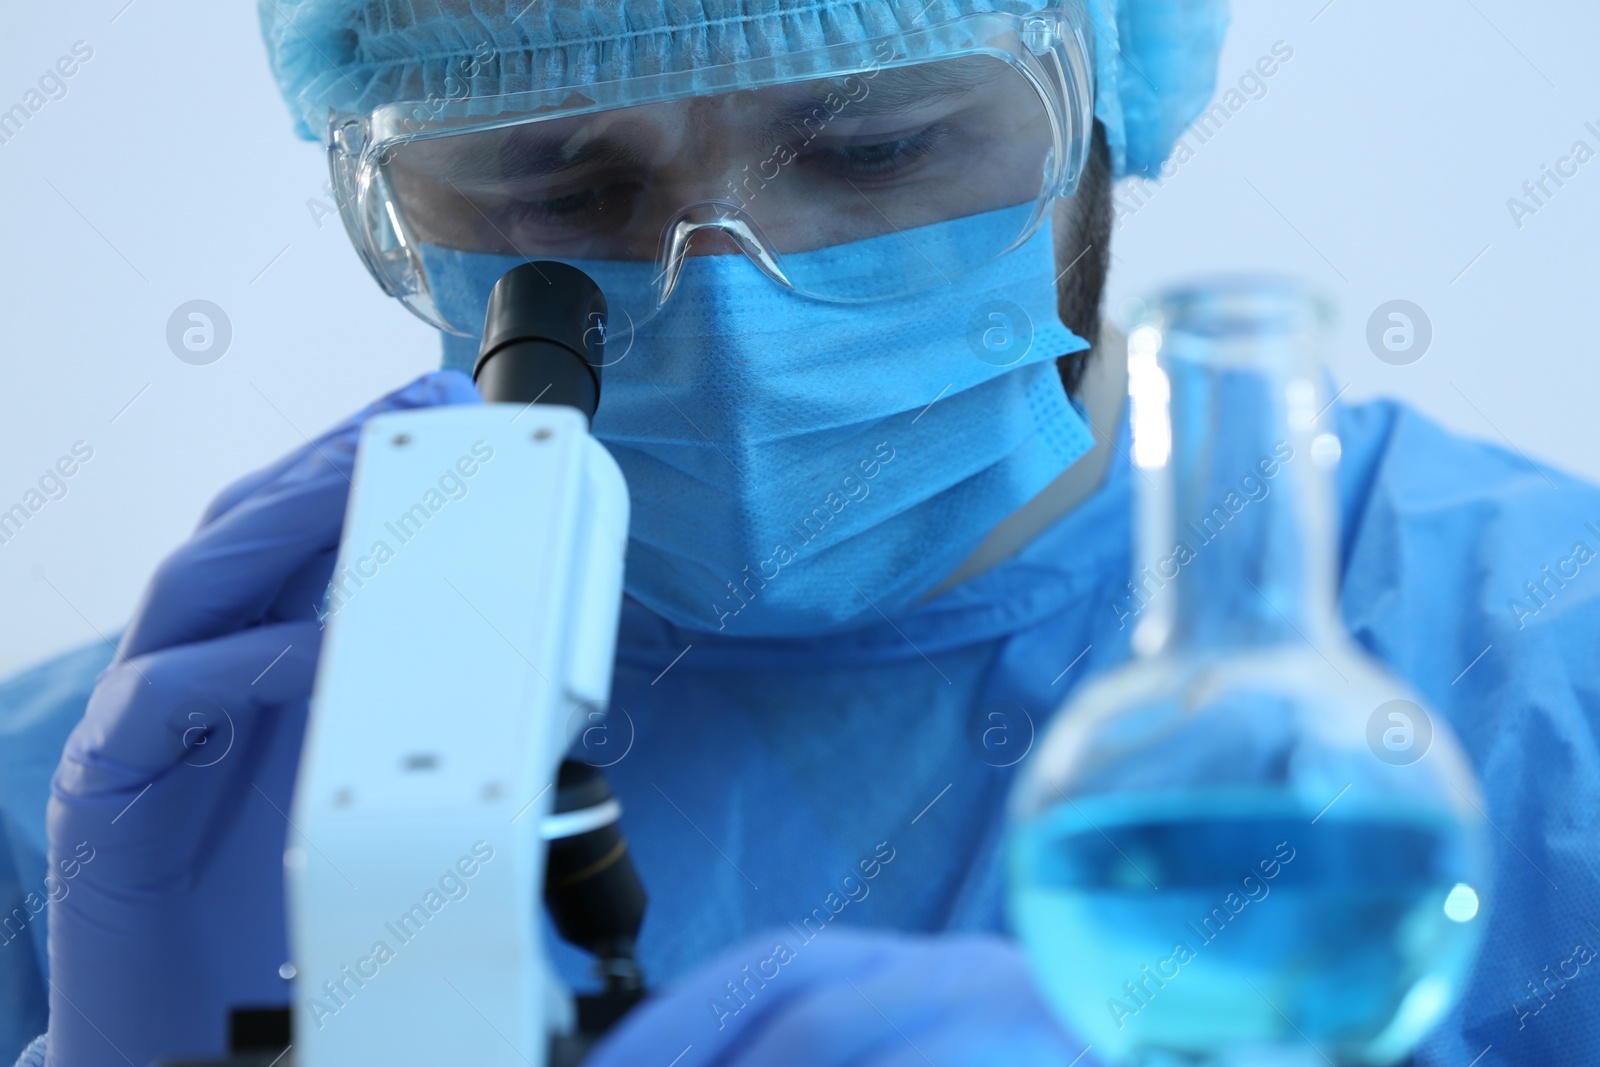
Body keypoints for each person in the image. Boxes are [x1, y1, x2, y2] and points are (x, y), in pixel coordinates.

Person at [4, 0, 1598, 1064]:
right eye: (553, 187)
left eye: (880, 144)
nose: (737, 301)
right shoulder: (136, 814)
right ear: (394, 209)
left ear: (1109, 92)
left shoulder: (1545, 677)